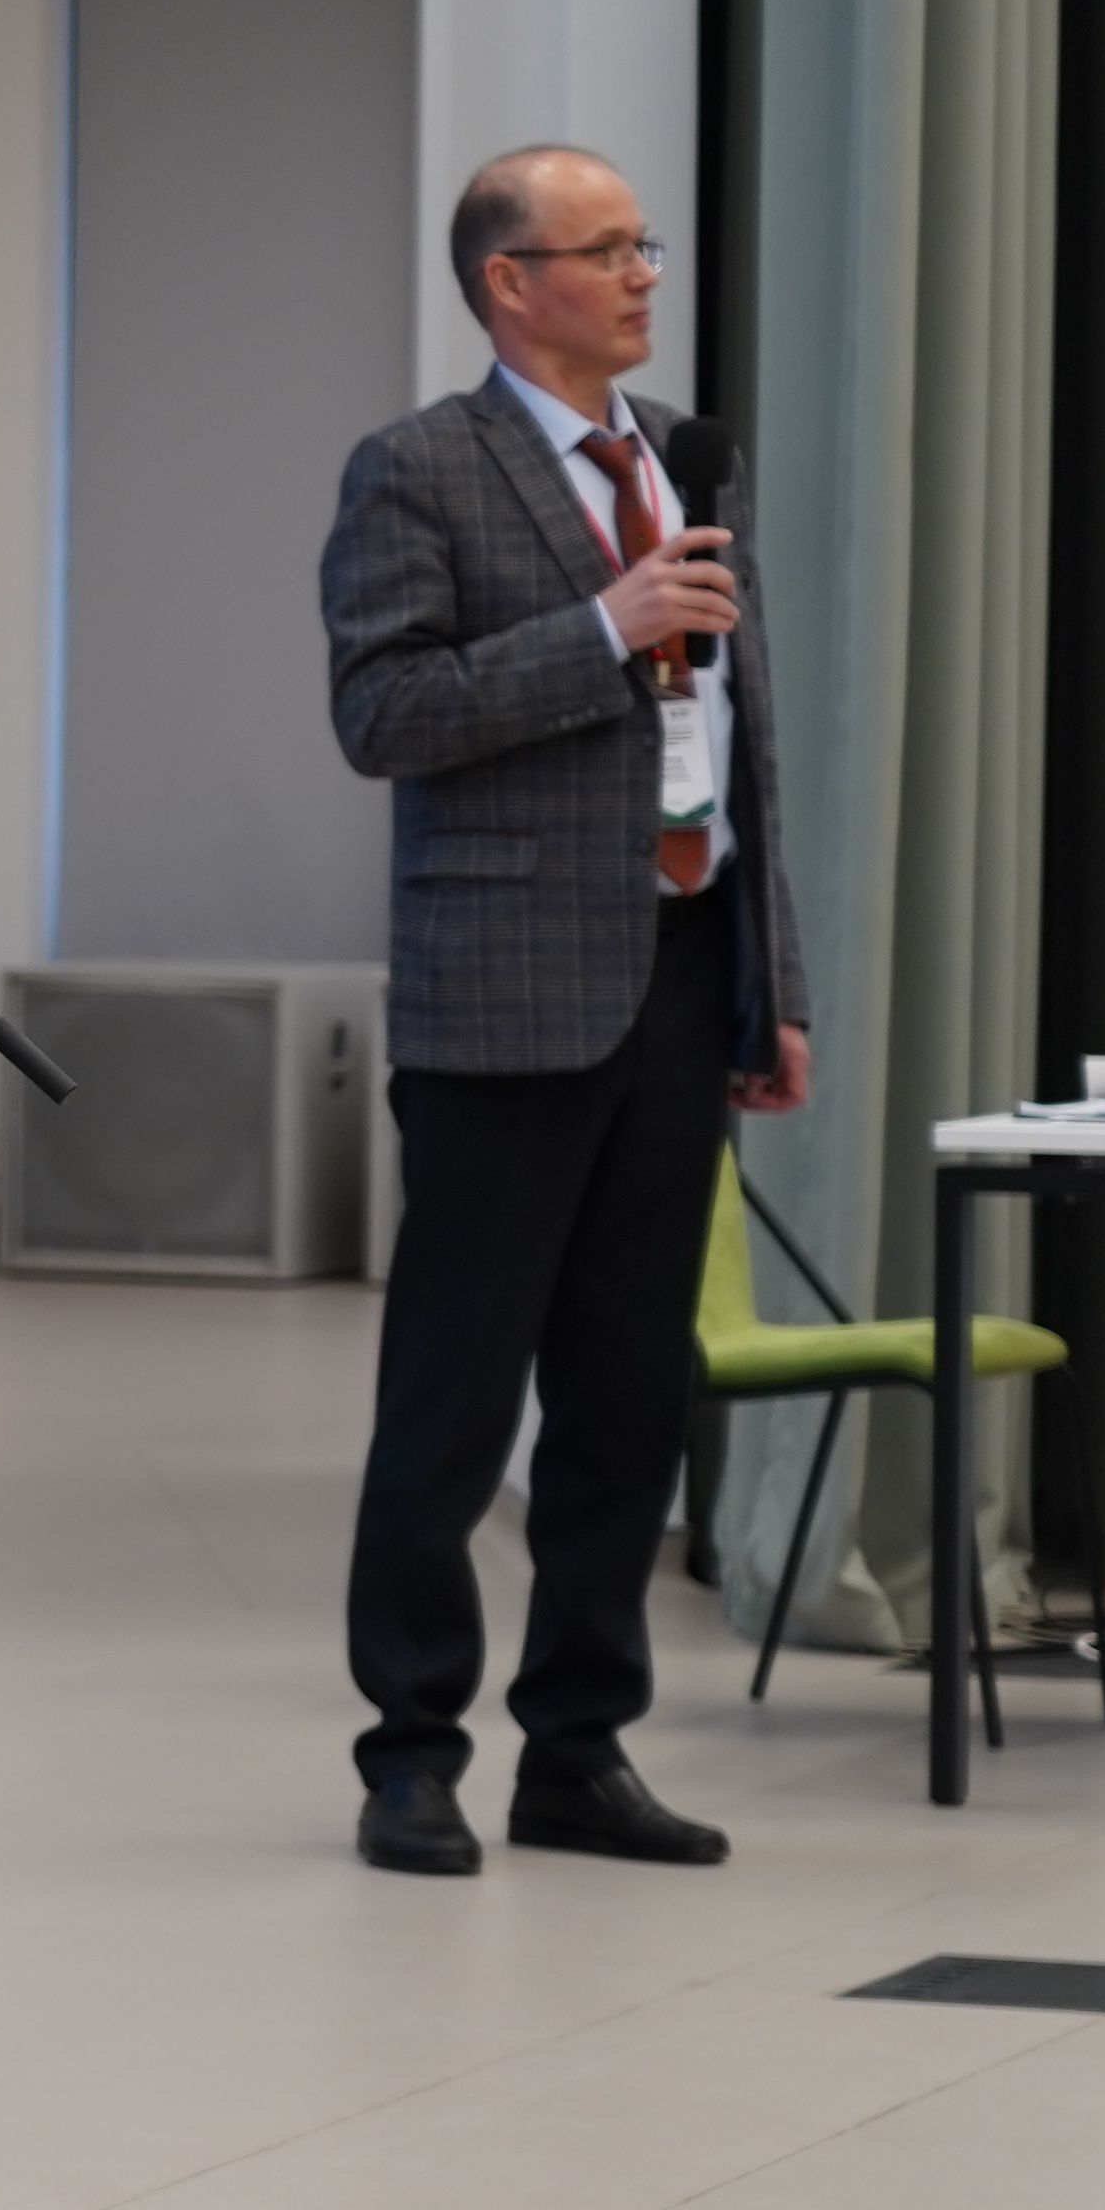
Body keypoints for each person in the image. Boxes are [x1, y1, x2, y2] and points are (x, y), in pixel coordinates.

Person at [319, 144, 814, 1879]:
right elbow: (384, 715)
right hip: (502, 996)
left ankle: (579, 1751)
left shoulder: (683, 459)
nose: (642, 275)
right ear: (508, 282)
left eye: (645, 246)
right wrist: (603, 625)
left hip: (678, 979)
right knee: (453, 1403)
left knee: (625, 1401)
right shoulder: (417, 470)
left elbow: (741, 748)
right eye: (606, 250)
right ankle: (411, 1754)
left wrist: (770, 982)